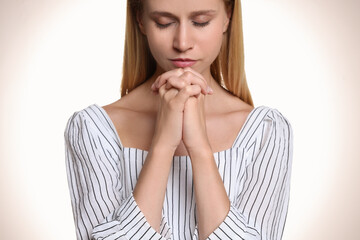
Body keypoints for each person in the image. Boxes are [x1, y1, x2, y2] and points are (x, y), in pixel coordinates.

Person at [64, 0, 293, 239]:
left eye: (200, 22)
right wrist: (162, 145)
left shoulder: (266, 131)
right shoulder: (94, 129)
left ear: (227, 17)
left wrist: (200, 149)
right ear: (141, 20)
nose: (182, 43)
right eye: (164, 23)